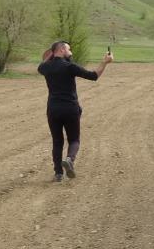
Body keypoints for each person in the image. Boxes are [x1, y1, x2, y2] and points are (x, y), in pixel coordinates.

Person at [37, 42, 113, 182]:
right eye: (68, 49)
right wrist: (105, 62)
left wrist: (51, 55)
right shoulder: (70, 67)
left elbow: (41, 65)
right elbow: (93, 76)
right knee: (74, 140)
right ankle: (69, 159)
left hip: (53, 109)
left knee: (57, 141)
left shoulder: (45, 67)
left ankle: (58, 173)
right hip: (70, 108)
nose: (70, 51)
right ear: (61, 49)